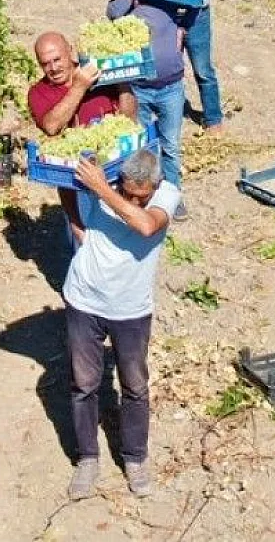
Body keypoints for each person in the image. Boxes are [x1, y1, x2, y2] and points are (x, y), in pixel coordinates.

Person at [64, 149, 179, 499]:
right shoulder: (109, 182)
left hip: (131, 310)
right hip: (83, 300)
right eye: (126, 190)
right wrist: (79, 228)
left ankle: (135, 458)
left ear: (154, 185)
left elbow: (145, 226)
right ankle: (87, 458)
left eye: (138, 195)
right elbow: (65, 186)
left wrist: (103, 190)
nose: (131, 198)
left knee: (134, 385)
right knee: (84, 384)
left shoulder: (167, 194)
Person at [28, 31, 136, 243]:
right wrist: (79, 86)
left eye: (57, 59)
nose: (53, 68)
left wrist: (122, 80)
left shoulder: (98, 72)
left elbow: (130, 119)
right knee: (85, 249)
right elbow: (51, 127)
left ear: (70, 50)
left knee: (120, 244)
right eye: (45, 63)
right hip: (76, 185)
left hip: (116, 176)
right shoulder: (38, 92)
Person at [104, 0, 185, 201]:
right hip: (139, 89)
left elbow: (192, 7)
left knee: (170, 145)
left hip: (171, 86)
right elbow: (113, 12)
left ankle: (172, 195)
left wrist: (181, 33)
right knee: (139, 145)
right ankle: (142, 193)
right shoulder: (121, 7)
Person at [165, 0, 224, 134]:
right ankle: (171, 113)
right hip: (172, 13)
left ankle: (213, 119)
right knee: (171, 67)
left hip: (197, 15)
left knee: (203, 70)